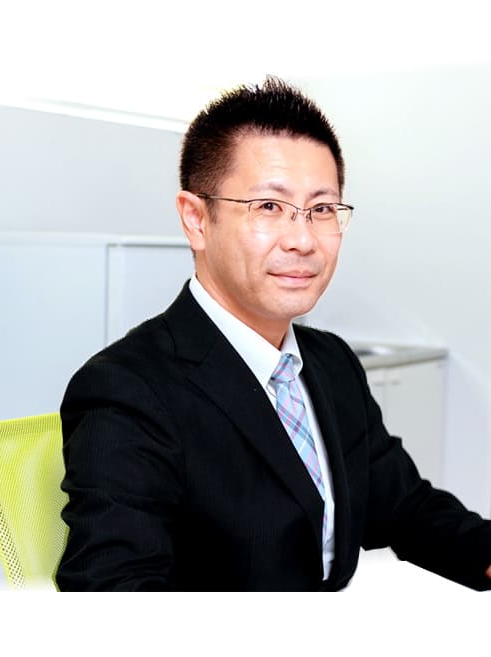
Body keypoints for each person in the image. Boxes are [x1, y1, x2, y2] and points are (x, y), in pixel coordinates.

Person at [56, 76, 491, 591]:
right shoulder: (127, 389)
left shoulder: (330, 362)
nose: (303, 239)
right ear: (196, 219)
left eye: (322, 209)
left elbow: (407, 507)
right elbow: (113, 598)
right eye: (268, 207)